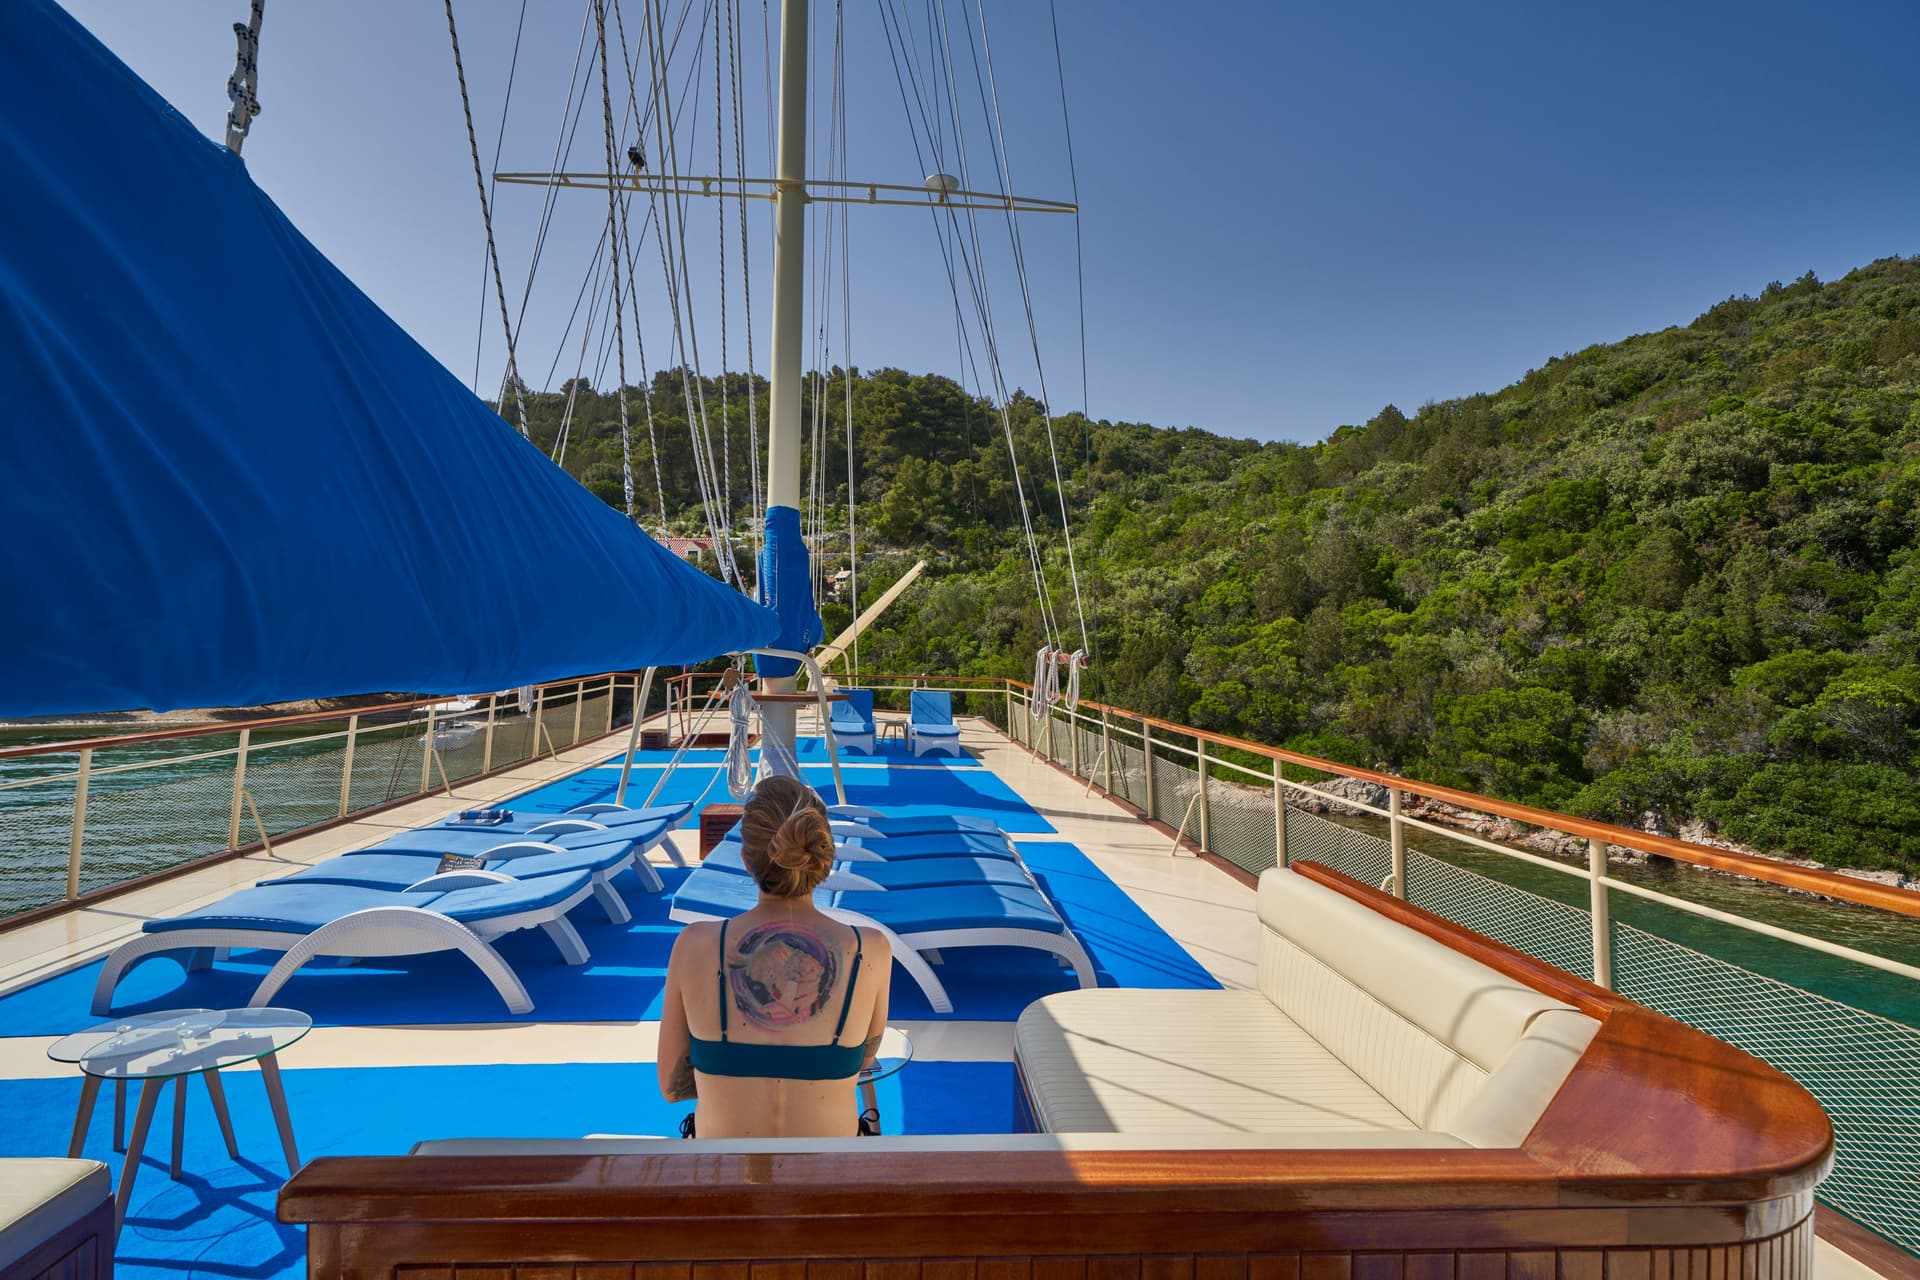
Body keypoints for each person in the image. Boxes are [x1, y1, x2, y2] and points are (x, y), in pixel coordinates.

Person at [657, 774, 892, 1137]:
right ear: (822, 858)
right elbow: (862, 1061)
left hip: (723, 1184)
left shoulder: (695, 945)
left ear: (746, 861)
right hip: (831, 1184)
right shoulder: (870, 949)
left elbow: (672, 1088)